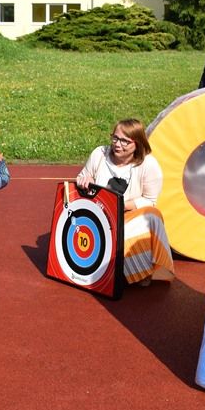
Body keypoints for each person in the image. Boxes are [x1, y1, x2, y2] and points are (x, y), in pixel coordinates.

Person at [76, 119, 175, 286]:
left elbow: (150, 201)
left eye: (124, 141)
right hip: (97, 217)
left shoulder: (149, 164)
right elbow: (81, 178)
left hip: (127, 217)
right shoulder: (99, 154)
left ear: (137, 144)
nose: (117, 144)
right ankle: (98, 269)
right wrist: (85, 180)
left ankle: (138, 271)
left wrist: (121, 204)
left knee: (151, 217)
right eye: (115, 138)